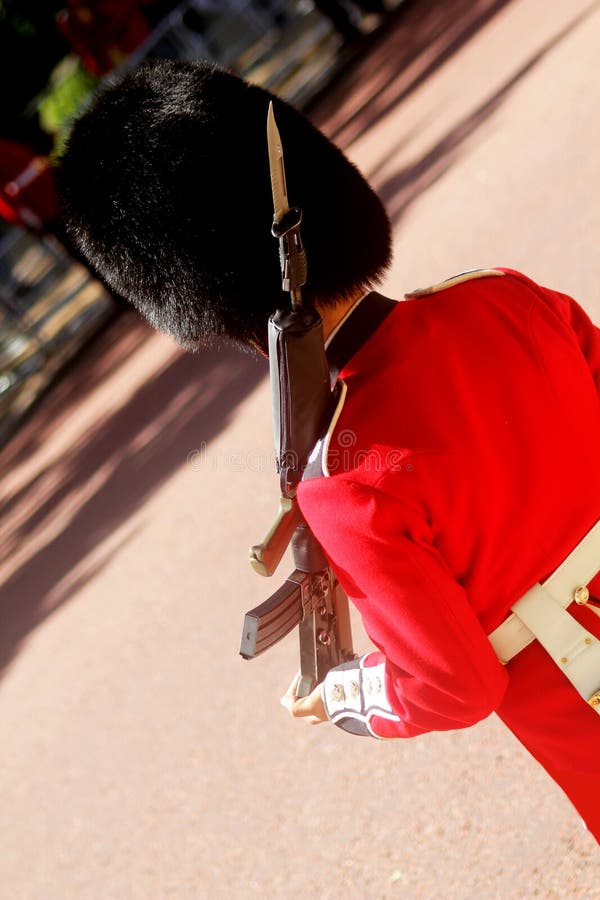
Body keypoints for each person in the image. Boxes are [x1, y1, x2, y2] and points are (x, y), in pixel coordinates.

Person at [56, 58, 600, 841]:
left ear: (212, 306)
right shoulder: (501, 295)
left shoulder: (344, 486)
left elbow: (455, 688)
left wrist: (343, 693)